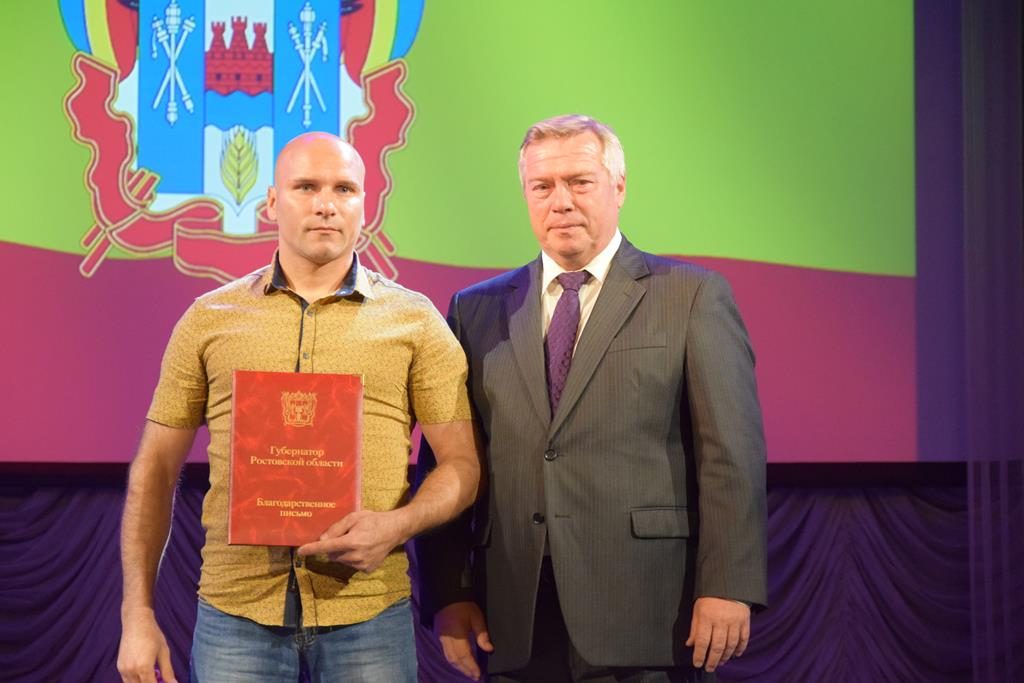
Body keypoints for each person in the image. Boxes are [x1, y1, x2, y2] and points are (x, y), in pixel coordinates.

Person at [116, 132, 481, 683]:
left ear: (365, 204)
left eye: (344, 189)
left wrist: (397, 525)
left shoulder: (416, 322)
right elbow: (156, 468)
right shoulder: (209, 319)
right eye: (306, 187)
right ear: (271, 202)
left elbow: (462, 465)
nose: (326, 204)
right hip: (237, 614)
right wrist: (137, 613)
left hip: (368, 612)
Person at [415, 114, 767, 682]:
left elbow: (731, 456)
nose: (561, 202)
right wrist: (450, 592)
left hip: (648, 610)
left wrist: (727, 584)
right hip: (514, 615)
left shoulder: (692, 296)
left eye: (580, 182)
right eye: (542, 186)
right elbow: (448, 458)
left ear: (619, 187)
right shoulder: (474, 309)